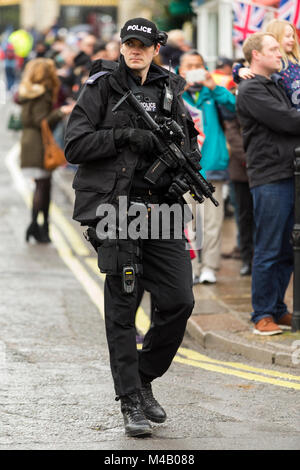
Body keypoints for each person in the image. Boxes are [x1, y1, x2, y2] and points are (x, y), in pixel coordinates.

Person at [64, 17, 198, 437]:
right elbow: (74, 144)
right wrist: (123, 136)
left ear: (157, 47)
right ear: (121, 47)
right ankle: (130, 403)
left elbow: (190, 145)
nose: (135, 50)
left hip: (163, 210)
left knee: (179, 301)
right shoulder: (101, 86)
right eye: (129, 44)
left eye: (143, 44)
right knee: (123, 305)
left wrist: (184, 167)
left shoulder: (171, 89)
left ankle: (141, 378)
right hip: (115, 209)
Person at [236, 32, 300, 335]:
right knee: (269, 248)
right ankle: (261, 314)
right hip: (270, 176)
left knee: (288, 247)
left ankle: (277, 308)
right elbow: (287, 121)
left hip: (288, 173)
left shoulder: (273, 84)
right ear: (256, 56)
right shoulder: (250, 89)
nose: (279, 54)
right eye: (273, 49)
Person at [178, 50, 236, 284]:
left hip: (211, 165)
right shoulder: (174, 93)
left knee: (212, 221)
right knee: (187, 221)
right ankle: (191, 266)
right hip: (184, 168)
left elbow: (235, 108)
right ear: (181, 69)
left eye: (198, 65)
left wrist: (214, 87)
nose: (194, 68)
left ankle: (210, 266)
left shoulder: (213, 93)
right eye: (189, 65)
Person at [18, 58, 73, 243]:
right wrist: (61, 112)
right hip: (39, 143)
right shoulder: (43, 93)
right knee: (43, 185)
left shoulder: (28, 91)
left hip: (29, 141)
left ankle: (39, 226)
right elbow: (42, 121)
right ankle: (38, 226)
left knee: (43, 185)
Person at [234, 19, 300, 110]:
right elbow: (252, 68)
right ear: (275, 38)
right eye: (288, 36)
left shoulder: (297, 60)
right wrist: (239, 70)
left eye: (293, 36)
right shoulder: (272, 63)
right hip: (291, 114)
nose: (292, 40)